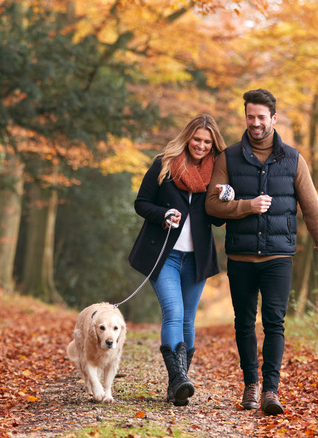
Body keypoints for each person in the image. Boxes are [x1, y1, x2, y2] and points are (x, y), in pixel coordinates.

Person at [205, 89, 318, 415]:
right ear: (245, 117)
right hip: (240, 257)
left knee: (275, 323)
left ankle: (271, 391)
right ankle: (251, 385)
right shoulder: (228, 158)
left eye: (262, 117)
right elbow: (211, 205)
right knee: (244, 323)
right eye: (251, 116)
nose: (256, 123)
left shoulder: (293, 159)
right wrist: (246, 206)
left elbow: (312, 209)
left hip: (278, 257)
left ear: (273, 119)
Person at [128, 113, 227, 406]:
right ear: (188, 137)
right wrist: (163, 214)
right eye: (197, 139)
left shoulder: (217, 174)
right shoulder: (165, 164)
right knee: (173, 311)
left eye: (207, 142)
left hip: (197, 259)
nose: (201, 145)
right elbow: (141, 203)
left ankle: (177, 385)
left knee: (188, 319)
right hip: (165, 255)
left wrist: (224, 198)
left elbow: (218, 221)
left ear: (213, 144)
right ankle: (179, 380)